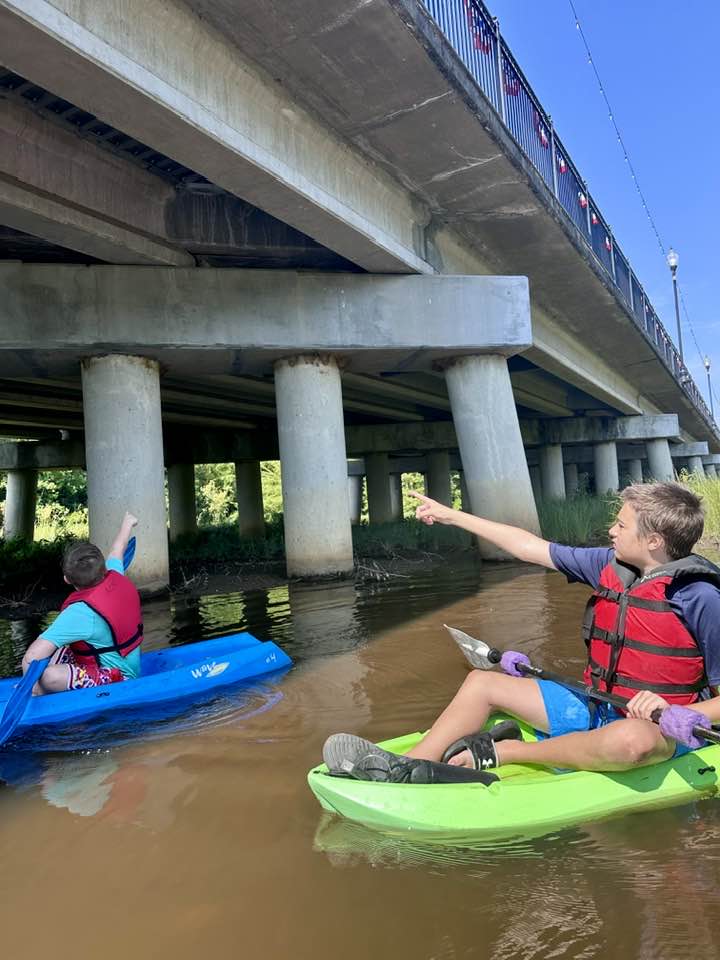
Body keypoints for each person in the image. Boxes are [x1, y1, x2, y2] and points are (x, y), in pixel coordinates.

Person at [323, 482, 720, 784]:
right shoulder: (607, 565)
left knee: (632, 740)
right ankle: (406, 767)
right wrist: (452, 516)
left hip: (662, 729)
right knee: (482, 683)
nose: (611, 531)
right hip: (597, 705)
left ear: (653, 540)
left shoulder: (701, 597)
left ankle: (510, 751)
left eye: (621, 525)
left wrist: (686, 714)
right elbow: (527, 546)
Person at [21, 512, 142, 695]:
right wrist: (128, 523)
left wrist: (32, 692)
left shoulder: (79, 612)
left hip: (118, 677)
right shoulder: (115, 576)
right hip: (127, 664)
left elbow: (31, 657)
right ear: (104, 568)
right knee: (58, 646)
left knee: (48, 676)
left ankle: (38, 693)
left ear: (67, 579)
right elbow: (117, 550)